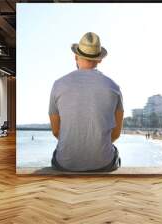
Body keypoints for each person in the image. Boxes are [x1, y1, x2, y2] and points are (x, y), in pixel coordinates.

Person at [48, 32, 123, 172]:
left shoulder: (58, 85)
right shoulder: (114, 87)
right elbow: (116, 134)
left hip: (66, 163)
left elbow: (56, 130)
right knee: (115, 154)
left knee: (56, 155)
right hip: (103, 163)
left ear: (75, 56)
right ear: (100, 60)